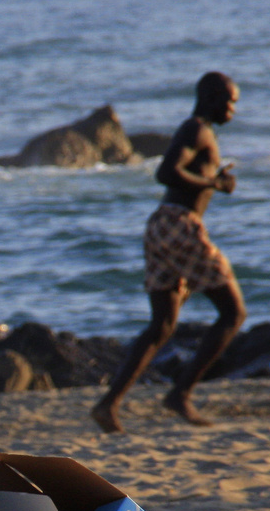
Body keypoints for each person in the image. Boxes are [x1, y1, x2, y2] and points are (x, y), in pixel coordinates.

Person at [92, 72, 245, 433]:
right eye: (230, 101)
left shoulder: (198, 131)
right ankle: (180, 393)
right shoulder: (196, 130)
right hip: (180, 225)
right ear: (208, 98)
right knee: (233, 312)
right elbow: (166, 172)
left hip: (162, 225)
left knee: (162, 324)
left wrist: (212, 180)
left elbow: (182, 174)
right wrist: (214, 182)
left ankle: (107, 404)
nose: (233, 109)